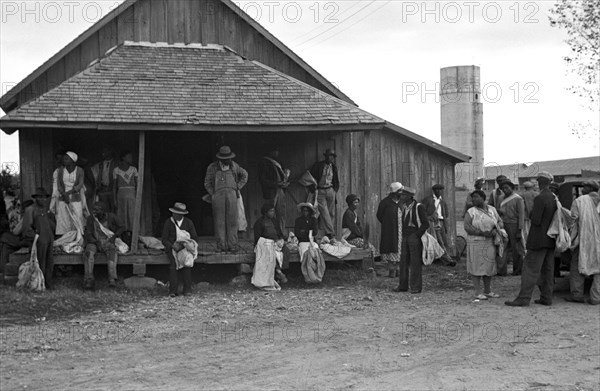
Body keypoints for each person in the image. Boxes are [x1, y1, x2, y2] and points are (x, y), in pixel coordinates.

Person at [505, 172, 558, 307]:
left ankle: (523, 298)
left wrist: (531, 213)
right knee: (547, 270)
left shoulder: (540, 198)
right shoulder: (553, 197)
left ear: (539, 182)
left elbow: (536, 219)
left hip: (538, 239)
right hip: (550, 239)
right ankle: (547, 298)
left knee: (530, 269)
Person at [204, 146, 248, 253]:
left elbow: (245, 175)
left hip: (232, 195)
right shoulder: (213, 167)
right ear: (220, 158)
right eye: (225, 159)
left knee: (232, 220)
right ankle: (221, 245)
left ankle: (233, 245)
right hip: (218, 196)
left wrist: (238, 186)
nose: (228, 160)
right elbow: (207, 182)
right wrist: (213, 193)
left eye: (229, 158)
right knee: (219, 221)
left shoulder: (234, 166)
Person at [464, 190, 503, 300]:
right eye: (472, 198)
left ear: (483, 197)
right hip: (475, 242)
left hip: (489, 242)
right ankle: (477, 292)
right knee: (476, 266)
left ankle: (487, 290)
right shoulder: (471, 212)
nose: (474, 200)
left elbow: (500, 222)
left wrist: (496, 229)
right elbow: (467, 227)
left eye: (476, 197)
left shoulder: (492, 210)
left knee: (489, 266)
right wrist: (481, 232)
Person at [565, 180, 600, 305]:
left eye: (584, 187)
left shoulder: (580, 201)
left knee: (576, 267)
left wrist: (571, 239)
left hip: (584, 240)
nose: (583, 189)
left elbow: (573, 221)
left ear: (590, 188)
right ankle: (596, 298)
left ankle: (577, 294)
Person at [393, 186, 429, 294]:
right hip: (405, 235)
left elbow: (425, 224)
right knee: (403, 262)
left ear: (409, 197)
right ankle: (403, 286)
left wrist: (416, 235)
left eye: (403, 195)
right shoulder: (404, 207)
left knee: (415, 262)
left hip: (414, 236)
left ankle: (416, 287)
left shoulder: (418, 207)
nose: (401, 196)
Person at [83, 202, 125, 290]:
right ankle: (89, 279)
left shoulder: (111, 217)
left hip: (108, 241)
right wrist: (96, 242)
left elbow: (122, 227)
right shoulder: (90, 219)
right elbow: (88, 234)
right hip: (94, 242)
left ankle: (112, 278)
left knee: (112, 253)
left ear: (102, 211)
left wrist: (114, 237)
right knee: (88, 253)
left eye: (96, 210)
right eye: (93, 209)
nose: (94, 212)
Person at [161, 203, 199, 297]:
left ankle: (187, 290)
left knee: (187, 263)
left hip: (184, 247)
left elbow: (195, 238)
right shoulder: (168, 222)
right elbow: (164, 239)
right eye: (174, 213)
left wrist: (184, 246)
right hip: (172, 248)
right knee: (174, 264)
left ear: (182, 215)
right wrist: (172, 246)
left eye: (178, 214)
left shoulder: (188, 222)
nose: (175, 215)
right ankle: (173, 291)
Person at [51, 151, 87, 236]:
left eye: (66, 158)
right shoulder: (60, 171)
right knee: (63, 218)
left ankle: (78, 237)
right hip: (63, 196)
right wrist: (64, 194)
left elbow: (80, 185)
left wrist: (68, 193)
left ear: (73, 160)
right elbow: (59, 185)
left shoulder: (80, 170)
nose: (64, 160)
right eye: (64, 158)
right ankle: (65, 238)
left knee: (77, 216)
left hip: (75, 196)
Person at [252, 203, 286, 290]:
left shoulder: (274, 221)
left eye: (273, 211)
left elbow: (280, 233)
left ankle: (280, 272)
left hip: (277, 243)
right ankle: (277, 272)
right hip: (266, 244)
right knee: (271, 254)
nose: (272, 213)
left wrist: (281, 240)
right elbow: (258, 239)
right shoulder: (259, 222)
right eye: (270, 211)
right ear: (265, 212)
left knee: (286, 251)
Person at [421, 184, 456, 267]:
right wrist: (429, 217)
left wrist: (442, 218)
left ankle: (443, 259)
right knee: (438, 241)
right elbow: (421, 212)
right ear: (434, 190)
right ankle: (447, 260)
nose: (439, 191)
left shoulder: (442, 201)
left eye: (440, 190)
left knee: (444, 241)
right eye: (437, 190)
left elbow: (446, 213)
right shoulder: (428, 200)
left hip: (441, 222)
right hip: (431, 223)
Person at [29, 188, 56, 290]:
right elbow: (27, 228)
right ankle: (40, 284)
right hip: (40, 241)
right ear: (36, 198)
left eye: (44, 198)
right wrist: (35, 237)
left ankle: (49, 284)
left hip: (49, 240)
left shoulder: (46, 211)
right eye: (40, 197)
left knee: (49, 263)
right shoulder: (31, 210)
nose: (43, 200)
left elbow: (51, 226)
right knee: (41, 263)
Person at [308, 148, 339, 239]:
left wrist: (334, 190)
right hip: (320, 190)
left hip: (330, 190)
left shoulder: (333, 167)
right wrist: (313, 188)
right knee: (324, 212)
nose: (331, 158)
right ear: (325, 156)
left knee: (331, 213)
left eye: (332, 156)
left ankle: (328, 233)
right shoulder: (318, 165)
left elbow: (336, 180)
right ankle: (330, 232)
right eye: (329, 156)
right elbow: (309, 177)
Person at [258, 147, 290, 235]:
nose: (277, 153)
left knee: (281, 213)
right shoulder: (264, 163)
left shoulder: (279, 162)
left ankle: (281, 233)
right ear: (270, 152)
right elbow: (263, 180)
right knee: (269, 213)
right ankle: (269, 233)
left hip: (281, 191)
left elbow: (283, 176)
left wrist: (285, 182)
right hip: (271, 192)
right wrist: (277, 184)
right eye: (275, 151)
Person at [498, 179, 525, 276]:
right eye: (503, 188)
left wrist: (519, 229)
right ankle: (502, 270)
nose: (505, 190)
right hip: (503, 224)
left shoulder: (518, 199)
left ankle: (517, 270)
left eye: (507, 188)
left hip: (514, 225)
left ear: (512, 188)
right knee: (503, 247)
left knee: (516, 249)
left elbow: (521, 215)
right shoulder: (501, 198)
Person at [377, 182, 404, 277]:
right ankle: (391, 269)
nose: (401, 193)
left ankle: (398, 269)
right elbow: (379, 215)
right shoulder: (385, 202)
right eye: (400, 191)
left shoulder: (402, 202)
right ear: (394, 192)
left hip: (401, 230)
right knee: (390, 246)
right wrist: (387, 224)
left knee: (400, 247)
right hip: (389, 230)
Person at [113, 151, 138, 232]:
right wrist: (114, 200)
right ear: (123, 158)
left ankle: (133, 235)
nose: (131, 159)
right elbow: (114, 187)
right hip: (121, 196)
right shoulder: (116, 170)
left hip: (131, 195)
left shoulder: (133, 169)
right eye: (129, 157)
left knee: (132, 215)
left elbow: (138, 185)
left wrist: (137, 196)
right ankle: (123, 234)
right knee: (121, 215)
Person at [91, 146, 117, 213]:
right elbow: (93, 174)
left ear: (110, 152)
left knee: (114, 209)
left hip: (113, 191)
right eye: (103, 152)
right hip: (103, 190)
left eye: (105, 152)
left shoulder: (116, 164)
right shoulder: (100, 165)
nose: (103, 154)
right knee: (104, 209)